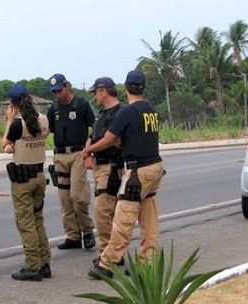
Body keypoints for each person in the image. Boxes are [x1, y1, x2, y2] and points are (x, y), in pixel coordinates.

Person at [85, 70, 165, 279]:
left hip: (138, 171)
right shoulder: (151, 111)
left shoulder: (128, 112)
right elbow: (138, 136)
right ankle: (147, 262)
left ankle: (107, 264)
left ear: (126, 87)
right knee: (149, 218)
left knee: (123, 216)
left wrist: (89, 150)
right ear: (143, 87)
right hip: (155, 166)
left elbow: (109, 139)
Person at [2, 84, 51, 282]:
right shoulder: (45, 121)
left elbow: (5, 145)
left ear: (13, 104)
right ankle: (45, 261)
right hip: (39, 175)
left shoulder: (17, 125)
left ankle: (32, 265)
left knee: (26, 222)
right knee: (38, 219)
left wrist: (9, 120)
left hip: (22, 179)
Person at [46, 73, 96, 250]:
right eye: (54, 91)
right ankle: (73, 235)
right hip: (60, 156)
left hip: (78, 154)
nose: (57, 94)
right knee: (65, 199)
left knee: (78, 196)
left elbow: (95, 126)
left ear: (67, 86)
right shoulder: (53, 109)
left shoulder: (81, 105)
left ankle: (87, 230)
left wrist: (89, 150)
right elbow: (49, 129)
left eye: (59, 90)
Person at [86, 77, 128, 267]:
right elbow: (92, 136)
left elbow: (110, 140)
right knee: (107, 213)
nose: (95, 96)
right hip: (99, 166)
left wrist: (88, 150)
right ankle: (112, 253)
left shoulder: (122, 112)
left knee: (103, 212)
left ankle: (107, 254)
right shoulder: (102, 114)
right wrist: (88, 152)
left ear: (103, 91)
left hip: (112, 167)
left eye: (95, 92)